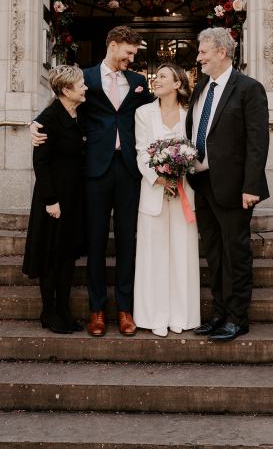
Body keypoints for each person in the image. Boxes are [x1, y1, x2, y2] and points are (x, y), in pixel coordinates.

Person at [30, 26, 152, 337]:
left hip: (128, 171)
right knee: (96, 240)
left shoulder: (138, 83)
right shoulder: (84, 79)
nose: (131, 58)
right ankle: (97, 309)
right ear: (113, 45)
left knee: (128, 239)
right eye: (129, 52)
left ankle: (125, 308)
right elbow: (60, 105)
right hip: (94, 172)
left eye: (134, 54)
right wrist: (35, 122)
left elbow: (153, 114)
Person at [186, 27, 269, 342]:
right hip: (203, 183)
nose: (199, 58)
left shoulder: (249, 88)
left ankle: (238, 318)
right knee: (215, 254)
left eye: (203, 52)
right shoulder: (202, 89)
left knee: (236, 254)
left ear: (221, 52)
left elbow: (257, 143)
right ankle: (219, 314)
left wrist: (252, 186)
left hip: (235, 188)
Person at [133, 64, 200, 337]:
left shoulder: (191, 114)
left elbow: (195, 152)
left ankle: (182, 316)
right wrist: (160, 179)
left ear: (177, 83)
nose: (156, 80)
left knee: (182, 255)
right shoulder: (143, 113)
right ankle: (154, 316)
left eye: (162, 76)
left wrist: (180, 174)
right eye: (155, 76)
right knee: (154, 256)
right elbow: (140, 152)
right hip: (154, 193)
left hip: (184, 191)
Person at [23, 65, 87, 334]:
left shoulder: (79, 112)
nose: (85, 87)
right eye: (80, 84)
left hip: (74, 197)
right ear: (65, 90)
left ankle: (64, 310)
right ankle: (49, 312)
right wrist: (51, 201)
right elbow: (41, 163)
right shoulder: (48, 118)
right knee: (51, 258)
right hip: (54, 200)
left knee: (67, 257)